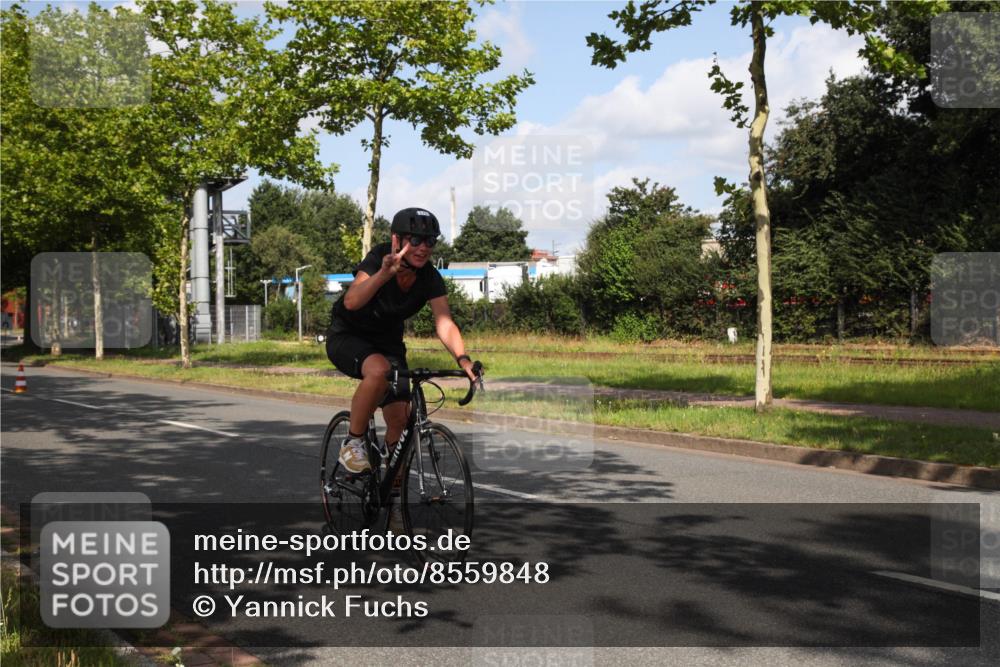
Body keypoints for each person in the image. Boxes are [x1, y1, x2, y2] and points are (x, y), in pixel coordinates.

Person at [326, 207, 478, 474]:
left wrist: (463, 359)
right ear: (396, 240)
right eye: (415, 240)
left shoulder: (429, 277)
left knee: (399, 419)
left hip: (388, 344)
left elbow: (444, 322)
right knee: (379, 370)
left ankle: (393, 493)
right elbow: (351, 301)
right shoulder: (378, 259)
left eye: (430, 241)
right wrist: (384, 274)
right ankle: (353, 442)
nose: (423, 248)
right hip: (348, 336)